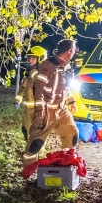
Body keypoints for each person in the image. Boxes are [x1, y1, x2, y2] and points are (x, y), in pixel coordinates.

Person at [21, 38, 80, 170]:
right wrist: (40, 111)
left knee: (72, 134)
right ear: (69, 51)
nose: (75, 53)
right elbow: (39, 90)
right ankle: (28, 170)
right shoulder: (47, 66)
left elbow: (64, 88)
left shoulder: (66, 66)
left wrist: (71, 102)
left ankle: (65, 163)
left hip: (62, 110)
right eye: (74, 50)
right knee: (35, 143)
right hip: (48, 110)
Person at [17, 46, 46, 139]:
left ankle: (35, 148)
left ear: (41, 59)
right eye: (29, 58)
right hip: (28, 110)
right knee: (25, 130)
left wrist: (32, 71)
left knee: (36, 133)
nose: (30, 60)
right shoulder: (28, 75)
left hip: (38, 110)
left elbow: (39, 81)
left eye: (33, 58)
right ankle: (29, 147)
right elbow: (22, 89)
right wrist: (17, 101)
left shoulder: (43, 74)